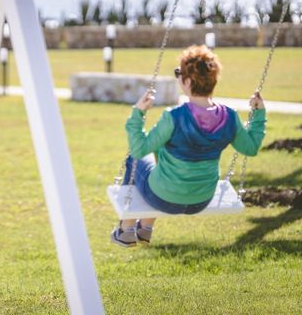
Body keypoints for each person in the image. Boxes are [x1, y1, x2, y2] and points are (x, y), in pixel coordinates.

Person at [111, 45, 266, 248]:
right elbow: (250, 148)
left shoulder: (174, 117)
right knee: (160, 157)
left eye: (179, 74)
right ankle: (145, 228)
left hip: (163, 198)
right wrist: (260, 113)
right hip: (201, 199)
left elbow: (140, 149)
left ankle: (126, 231)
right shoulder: (229, 117)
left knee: (134, 158)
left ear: (188, 81)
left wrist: (138, 112)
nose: (178, 78)